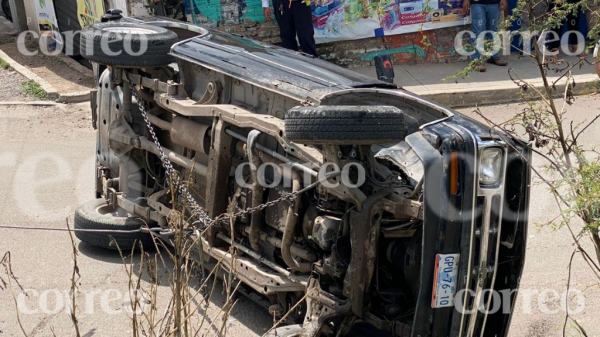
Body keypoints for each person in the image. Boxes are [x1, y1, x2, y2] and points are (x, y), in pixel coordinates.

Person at [462, 0, 509, 72]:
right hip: (477, 4)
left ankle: (493, 56)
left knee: (493, 30)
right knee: (477, 32)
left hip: (494, 3)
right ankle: (475, 60)